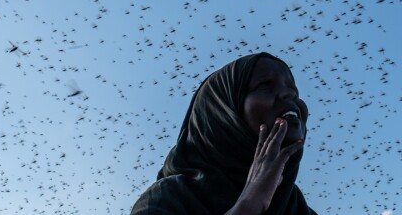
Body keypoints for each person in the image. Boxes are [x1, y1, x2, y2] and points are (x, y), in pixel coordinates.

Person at [130, 52, 316, 215]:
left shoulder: (299, 209)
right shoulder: (168, 200)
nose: (288, 95)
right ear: (223, 116)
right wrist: (249, 204)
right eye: (265, 85)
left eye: (293, 90)